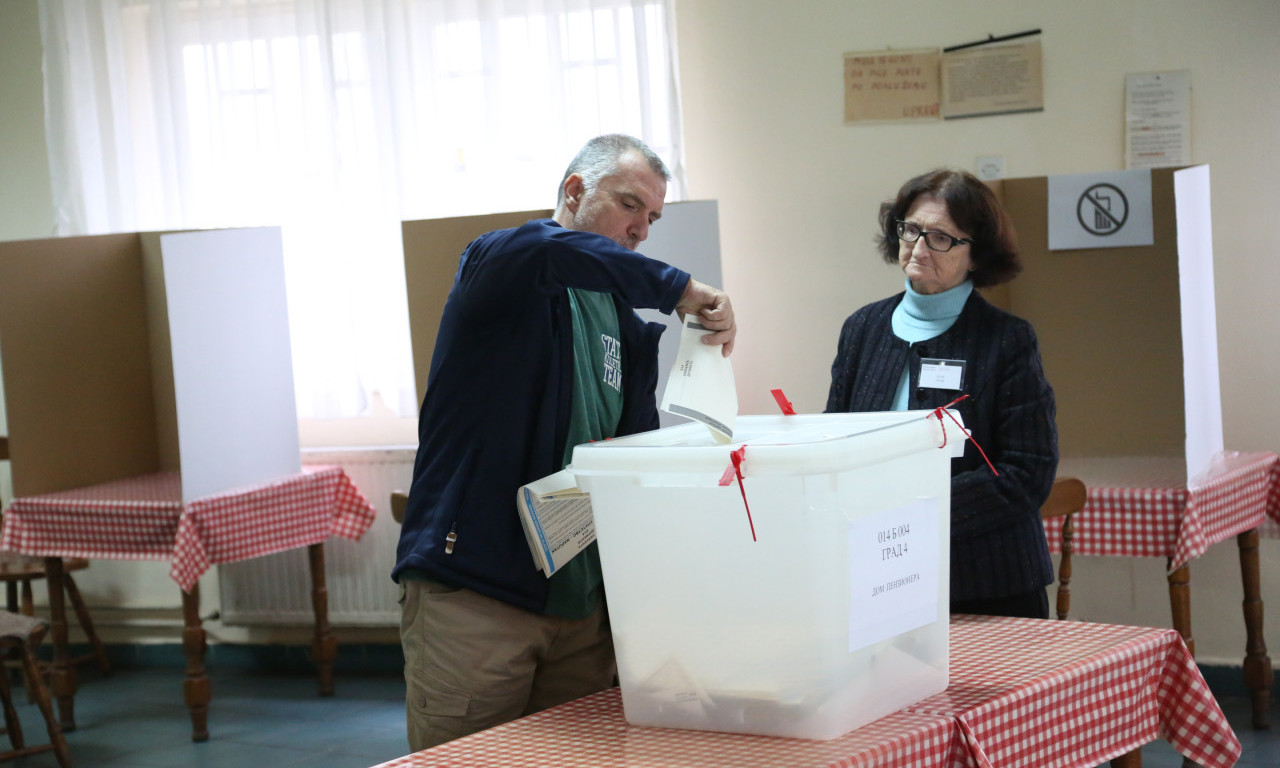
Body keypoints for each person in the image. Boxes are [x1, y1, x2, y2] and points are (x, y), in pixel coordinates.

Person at [393, 134, 735, 750]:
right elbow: (548, 250)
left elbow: (626, 461)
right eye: (631, 205)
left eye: (653, 218)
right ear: (575, 190)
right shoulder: (506, 261)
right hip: (480, 596)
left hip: (578, 607)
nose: (642, 230)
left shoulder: (624, 326)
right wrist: (681, 287)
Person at [825, 168, 1057, 620]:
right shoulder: (862, 329)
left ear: (977, 255)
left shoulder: (1007, 338)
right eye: (911, 230)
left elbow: (1029, 471)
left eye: (942, 238)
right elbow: (836, 439)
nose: (919, 247)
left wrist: (920, 509)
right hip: (883, 573)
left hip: (988, 580)